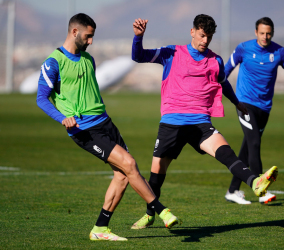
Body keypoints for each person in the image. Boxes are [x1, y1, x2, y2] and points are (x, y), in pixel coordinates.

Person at [36, 13, 180, 241]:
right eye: (88, 36)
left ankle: (100, 228)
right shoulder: (53, 62)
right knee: (130, 164)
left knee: (122, 176)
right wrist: (62, 117)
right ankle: (161, 210)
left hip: (105, 122)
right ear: (75, 32)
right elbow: (42, 98)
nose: (91, 41)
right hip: (84, 129)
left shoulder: (88, 60)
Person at [130, 14, 278, 230]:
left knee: (226, 153)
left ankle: (255, 182)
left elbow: (223, 82)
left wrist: (236, 102)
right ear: (192, 32)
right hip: (172, 122)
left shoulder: (215, 60)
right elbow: (138, 56)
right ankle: (150, 214)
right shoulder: (172, 52)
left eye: (208, 37)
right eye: (201, 35)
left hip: (200, 122)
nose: (204, 41)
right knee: (157, 173)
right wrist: (138, 37)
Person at [224, 17, 284, 205]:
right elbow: (226, 69)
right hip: (244, 103)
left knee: (247, 148)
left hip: (265, 107)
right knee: (254, 143)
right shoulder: (243, 49)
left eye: (269, 33)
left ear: (273, 33)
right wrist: (215, 90)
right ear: (256, 33)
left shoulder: (279, 52)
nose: (265, 36)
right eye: (262, 33)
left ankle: (232, 190)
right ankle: (261, 190)